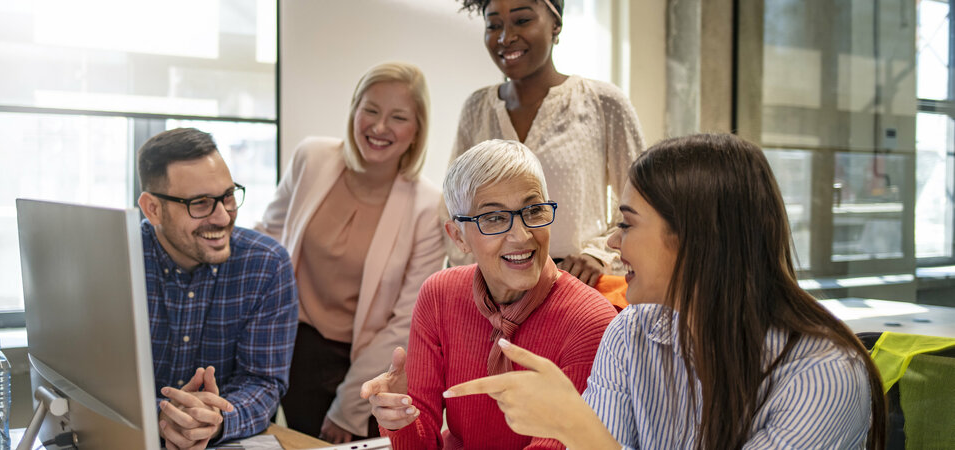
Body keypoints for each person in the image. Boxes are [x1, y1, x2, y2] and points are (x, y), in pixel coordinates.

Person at [445, 133, 888, 449]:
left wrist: (577, 429)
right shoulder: (631, 333)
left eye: (627, 223)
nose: (614, 243)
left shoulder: (822, 375)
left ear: (696, 237)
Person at [360, 139, 618, 449]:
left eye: (533, 210)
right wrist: (400, 418)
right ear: (458, 237)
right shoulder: (439, 296)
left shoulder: (591, 319)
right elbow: (421, 442)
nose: (521, 235)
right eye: (494, 218)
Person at [256, 62, 445, 443]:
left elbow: (407, 317)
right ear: (354, 109)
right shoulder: (311, 157)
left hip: (368, 364)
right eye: (370, 110)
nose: (379, 127)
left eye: (398, 117)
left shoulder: (428, 205)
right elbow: (267, 245)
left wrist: (350, 404)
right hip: (292, 347)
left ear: (417, 131)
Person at [448, 0, 644, 287]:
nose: (505, 37)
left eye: (522, 20)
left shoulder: (602, 103)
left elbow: (642, 206)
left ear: (556, 24)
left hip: (580, 289)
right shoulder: (477, 108)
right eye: (494, 25)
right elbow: (455, 210)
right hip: (496, 296)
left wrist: (598, 255)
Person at [136, 128, 298, 450]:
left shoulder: (267, 264)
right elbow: (97, 385)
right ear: (153, 208)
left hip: (220, 440)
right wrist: (165, 416)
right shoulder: (116, 259)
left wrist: (213, 420)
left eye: (227, 195)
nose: (223, 216)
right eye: (200, 203)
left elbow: (263, 383)